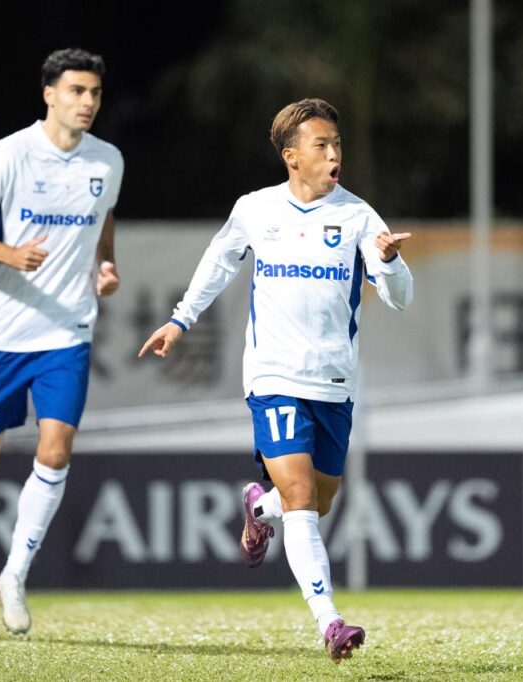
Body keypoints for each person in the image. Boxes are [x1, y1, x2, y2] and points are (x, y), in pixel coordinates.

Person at [139, 98, 413, 663]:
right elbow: (218, 262)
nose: (335, 154)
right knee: (301, 496)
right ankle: (330, 623)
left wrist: (388, 262)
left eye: (337, 144)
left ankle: (258, 513)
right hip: (273, 374)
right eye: (322, 145)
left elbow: (400, 299)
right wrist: (179, 319)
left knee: (321, 499)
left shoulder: (360, 216)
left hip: (334, 381)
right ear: (292, 156)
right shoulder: (256, 209)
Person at [0, 47, 123, 637]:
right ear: (49, 94)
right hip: (0, 333)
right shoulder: (9, 155)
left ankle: (14, 575)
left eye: (93, 92)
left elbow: (104, 215)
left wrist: (107, 262)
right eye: (76, 91)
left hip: (67, 330)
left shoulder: (108, 161)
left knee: (56, 449)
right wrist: (8, 254)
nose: (87, 102)